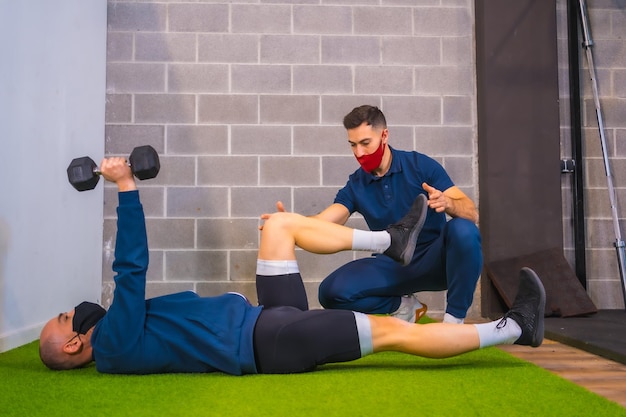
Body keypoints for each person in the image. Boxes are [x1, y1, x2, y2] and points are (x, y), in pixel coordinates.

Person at [38, 157, 544, 375]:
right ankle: (514, 328)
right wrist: (126, 187)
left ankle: (391, 241)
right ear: (74, 343)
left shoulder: (115, 342)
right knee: (393, 332)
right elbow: (130, 271)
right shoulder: (113, 343)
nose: (72, 312)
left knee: (277, 227)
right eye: (65, 319)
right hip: (272, 342)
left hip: (263, 321)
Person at [305, 104, 483, 324]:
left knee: (463, 229)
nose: (359, 153)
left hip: (436, 262)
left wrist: (448, 203)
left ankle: (454, 321)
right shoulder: (356, 185)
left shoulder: (420, 166)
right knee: (331, 292)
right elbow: (323, 223)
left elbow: (471, 213)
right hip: (393, 266)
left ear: (384, 135)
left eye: (365, 143)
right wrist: (290, 223)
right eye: (353, 145)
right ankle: (404, 307)